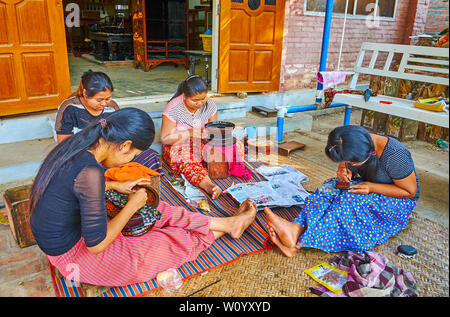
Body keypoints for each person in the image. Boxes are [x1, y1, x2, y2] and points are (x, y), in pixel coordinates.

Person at [30, 108, 257, 287]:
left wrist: (114, 185)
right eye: (134, 156)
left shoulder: (77, 147)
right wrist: (132, 205)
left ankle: (226, 224)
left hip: (76, 227)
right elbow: (96, 245)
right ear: (125, 145)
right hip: (74, 256)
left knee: (157, 208)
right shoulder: (90, 172)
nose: (129, 162)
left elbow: (69, 186)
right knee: (160, 245)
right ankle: (219, 231)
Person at [264, 125, 419, 257]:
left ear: (367, 154)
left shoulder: (396, 155)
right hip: (369, 184)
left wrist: (371, 187)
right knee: (328, 188)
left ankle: (298, 239)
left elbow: (410, 191)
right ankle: (296, 229)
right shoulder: (351, 140)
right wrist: (342, 169)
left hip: (398, 199)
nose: (349, 163)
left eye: (351, 162)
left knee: (346, 204)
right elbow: (345, 163)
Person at [55, 70, 161, 172]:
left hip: (111, 153)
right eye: (99, 100)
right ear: (85, 94)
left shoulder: (112, 107)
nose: (104, 104)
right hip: (81, 156)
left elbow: (121, 132)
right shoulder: (69, 108)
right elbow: (64, 145)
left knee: (150, 155)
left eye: (108, 98)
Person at [161, 75, 231, 199]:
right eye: (195, 100)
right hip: (177, 145)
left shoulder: (210, 106)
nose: (200, 103)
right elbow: (165, 139)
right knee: (186, 158)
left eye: (203, 98)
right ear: (184, 96)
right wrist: (190, 133)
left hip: (201, 142)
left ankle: (206, 164)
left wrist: (209, 137)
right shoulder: (173, 108)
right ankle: (209, 185)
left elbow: (213, 130)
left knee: (231, 149)